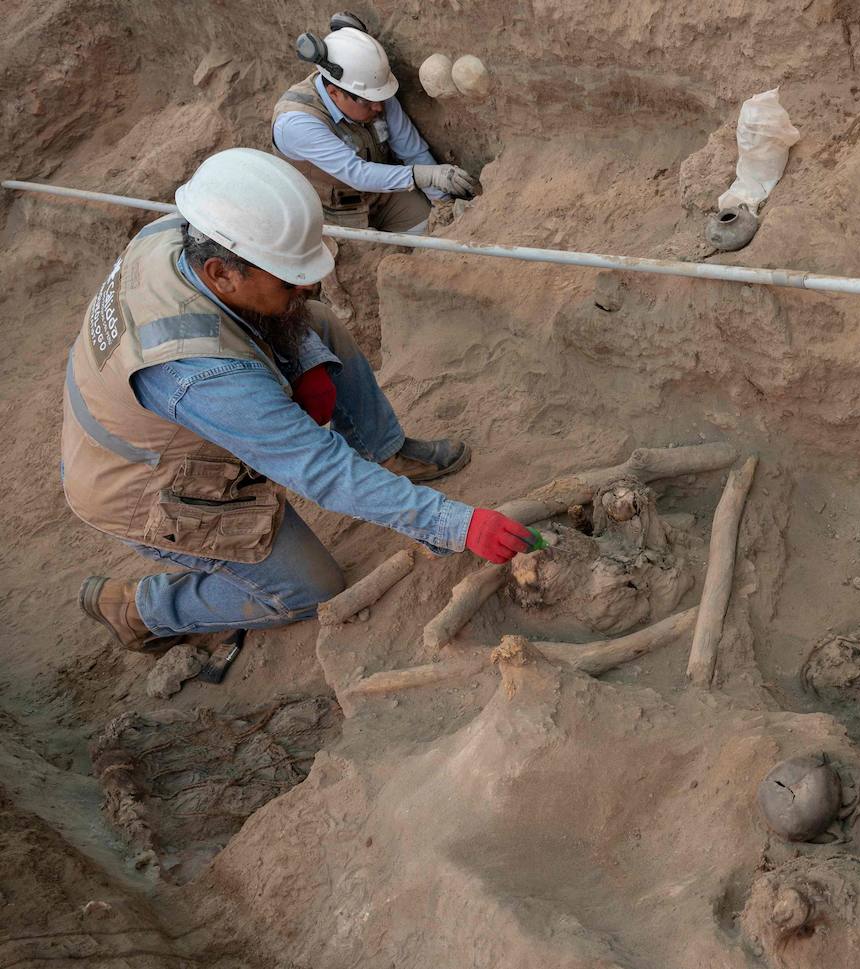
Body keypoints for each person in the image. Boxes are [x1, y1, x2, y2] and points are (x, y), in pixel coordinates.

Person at [64, 148, 531, 652]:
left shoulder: (189, 230)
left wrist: (306, 356)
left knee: (316, 323)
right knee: (311, 588)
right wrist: (455, 523)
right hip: (150, 485)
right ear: (222, 273)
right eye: (288, 277)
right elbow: (320, 469)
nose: (309, 282)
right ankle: (140, 610)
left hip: (172, 416)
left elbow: (290, 311)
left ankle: (386, 453)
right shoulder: (197, 373)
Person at [271, 18, 476, 234]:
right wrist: (428, 175)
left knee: (431, 235)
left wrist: (443, 203)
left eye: (381, 97)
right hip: (327, 216)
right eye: (368, 101)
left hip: (380, 195)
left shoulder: (372, 93)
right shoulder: (297, 122)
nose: (379, 107)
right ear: (334, 93)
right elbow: (357, 174)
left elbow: (412, 151)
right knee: (367, 262)